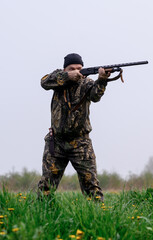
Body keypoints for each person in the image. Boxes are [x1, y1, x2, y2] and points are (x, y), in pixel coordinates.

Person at [37, 53, 111, 201]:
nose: (77, 71)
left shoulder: (87, 83)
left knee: (91, 185)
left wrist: (102, 80)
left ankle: (99, 216)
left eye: (79, 68)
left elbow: (96, 96)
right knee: (46, 186)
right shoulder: (58, 80)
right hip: (56, 142)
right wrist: (67, 77)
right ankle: (41, 216)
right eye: (72, 68)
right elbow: (44, 82)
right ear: (65, 69)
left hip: (80, 143)